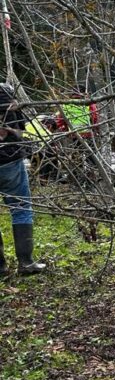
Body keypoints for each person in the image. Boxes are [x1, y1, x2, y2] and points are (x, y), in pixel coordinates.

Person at [0, 84, 46, 276]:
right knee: (21, 209)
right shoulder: (9, 100)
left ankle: (0, 267)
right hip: (10, 161)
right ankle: (26, 262)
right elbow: (22, 128)